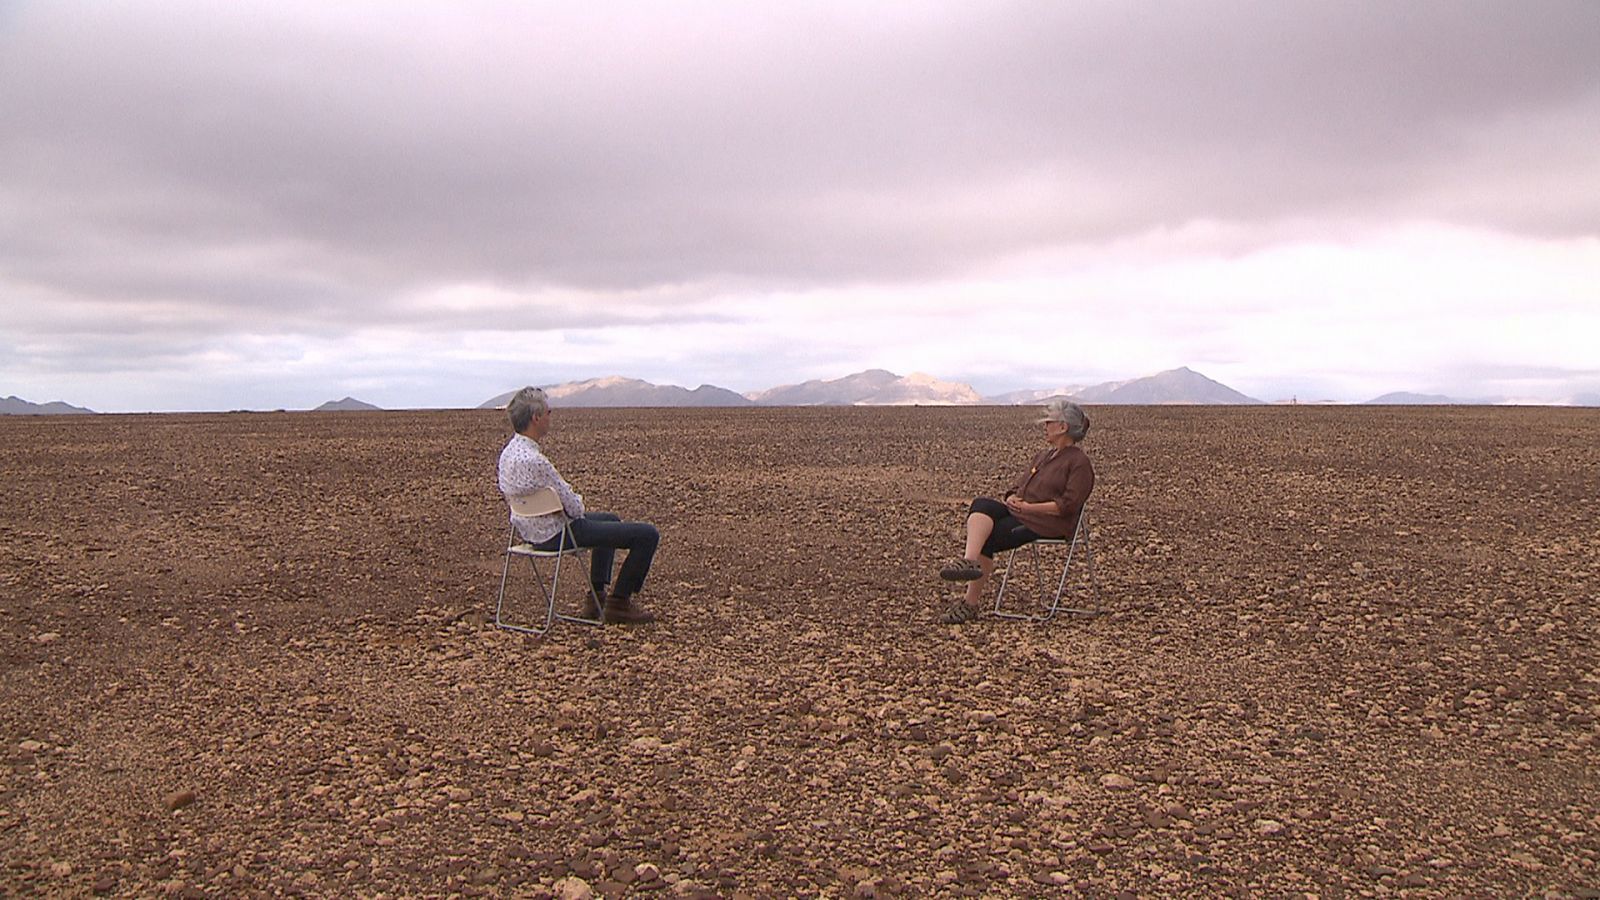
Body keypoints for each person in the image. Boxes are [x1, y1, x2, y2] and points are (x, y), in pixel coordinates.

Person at [497, 386, 660, 624]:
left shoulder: (508, 454)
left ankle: (596, 598)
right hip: (557, 534)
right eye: (548, 412)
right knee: (647, 535)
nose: (550, 417)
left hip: (530, 532)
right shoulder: (535, 460)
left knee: (610, 520)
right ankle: (619, 603)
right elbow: (574, 509)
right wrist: (576, 502)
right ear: (536, 418)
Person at [938, 399, 1095, 624]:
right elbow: (1019, 486)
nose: (1046, 426)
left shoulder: (1079, 463)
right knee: (982, 505)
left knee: (989, 536)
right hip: (1023, 513)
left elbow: (1069, 505)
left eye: (1050, 422)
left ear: (1063, 427)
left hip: (1046, 523)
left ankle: (970, 603)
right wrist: (1012, 497)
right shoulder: (1044, 456)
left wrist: (1030, 508)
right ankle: (969, 561)